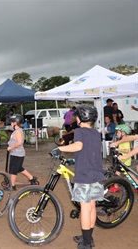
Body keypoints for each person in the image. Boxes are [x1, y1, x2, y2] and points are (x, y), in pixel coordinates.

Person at [52, 105, 105, 249]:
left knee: (85, 208)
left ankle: (86, 243)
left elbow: (78, 146)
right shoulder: (96, 133)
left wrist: (59, 149)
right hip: (96, 173)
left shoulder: (80, 131)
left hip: (85, 175)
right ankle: (88, 237)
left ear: (80, 118)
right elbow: (88, 151)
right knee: (91, 206)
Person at [7, 114, 38, 191]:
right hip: (16, 153)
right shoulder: (16, 131)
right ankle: (31, 178)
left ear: (15, 123)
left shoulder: (18, 131)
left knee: (13, 170)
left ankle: (12, 185)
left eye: (11, 122)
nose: (11, 124)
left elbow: (20, 142)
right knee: (18, 168)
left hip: (17, 154)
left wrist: (11, 147)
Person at [108, 124, 131, 193]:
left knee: (117, 173)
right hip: (122, 160)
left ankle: (116, 186)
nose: (117, 134)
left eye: (118, 132)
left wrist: (117, 150)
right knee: (129, 174)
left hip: (124, 161)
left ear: (123, 133)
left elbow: (127, 150)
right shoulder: (122, 140)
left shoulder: (125, 140)